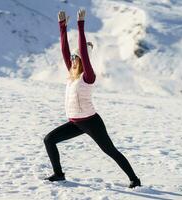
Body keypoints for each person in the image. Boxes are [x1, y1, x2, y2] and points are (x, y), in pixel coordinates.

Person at [43, 9, 141, 188]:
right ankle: (58, 174)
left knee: (109, 151)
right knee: (49, 139)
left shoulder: (88, 76)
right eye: (72, 58)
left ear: (81, 59)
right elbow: (65, 51)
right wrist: (62, 27)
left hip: (91, 122)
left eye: (76, 57)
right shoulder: (71, 74)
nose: (72, 59)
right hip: (75, 123)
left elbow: (83, 54)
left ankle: (134, 179)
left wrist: (80, 26)